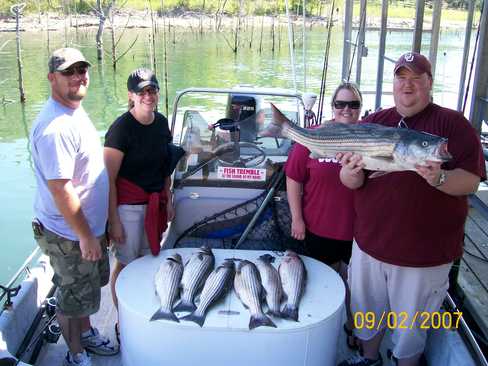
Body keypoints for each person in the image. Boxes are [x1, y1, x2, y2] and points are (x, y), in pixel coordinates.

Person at [338, 52, 486, 366]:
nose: (408, 86)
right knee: (366, 313)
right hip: (369, 246)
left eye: (416, 79)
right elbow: (351, 180)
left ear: (429, 84)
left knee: (412, 328)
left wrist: (440, 177)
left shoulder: (452, 124)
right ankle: (369, 358)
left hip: (424, 256)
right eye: (401, 79)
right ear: (392, 84)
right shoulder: (375, 122)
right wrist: (349, 171)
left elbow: (471, 181)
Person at [30, 48, 119, 366]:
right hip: (68, 234)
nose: (79, 77)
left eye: (82, 69)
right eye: (70, 72)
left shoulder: (73, 111)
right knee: (71, 299)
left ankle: (87, 334)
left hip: (87, 229)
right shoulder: (55, 128)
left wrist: (100, 227)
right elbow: (61, 189)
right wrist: (85, 235)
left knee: (84, 290)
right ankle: (76, 354)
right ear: (52, 78)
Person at [285, 82, 363, 350]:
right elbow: (294, 178)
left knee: (360, 292)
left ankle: (357, 331)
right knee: (316, 285)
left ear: (360, 108)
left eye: (353, 104)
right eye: (340, 104)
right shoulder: (313, 135)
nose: (346, 110)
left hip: (359, 234)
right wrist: (297, 218)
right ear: (332, 107)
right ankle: (314, 331)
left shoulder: (371, 137)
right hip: (319, 228)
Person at [104, 68, 179, 334]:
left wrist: (168, 198)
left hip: (154, 203)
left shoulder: (160, 123)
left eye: (152, 90)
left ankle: (144, 312)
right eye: (142, 91)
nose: (148, 96)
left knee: (148, 261)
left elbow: (166, 164)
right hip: (127, 207)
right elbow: (109, 179)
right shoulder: (121, 129)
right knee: (125, 264)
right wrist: (113, 221)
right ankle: (122, 321)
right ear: (131, 96)